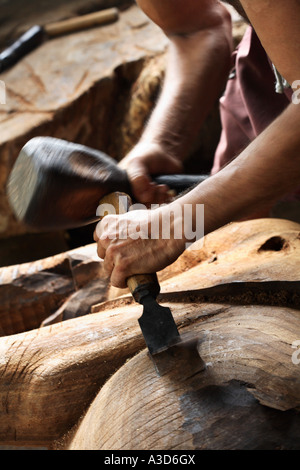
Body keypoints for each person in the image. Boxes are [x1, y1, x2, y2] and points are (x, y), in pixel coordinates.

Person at [94, 0, 300, 288]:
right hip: (275, 57)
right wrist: (163, 142)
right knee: (239, 243)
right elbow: (194, 30)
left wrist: (177, 223)